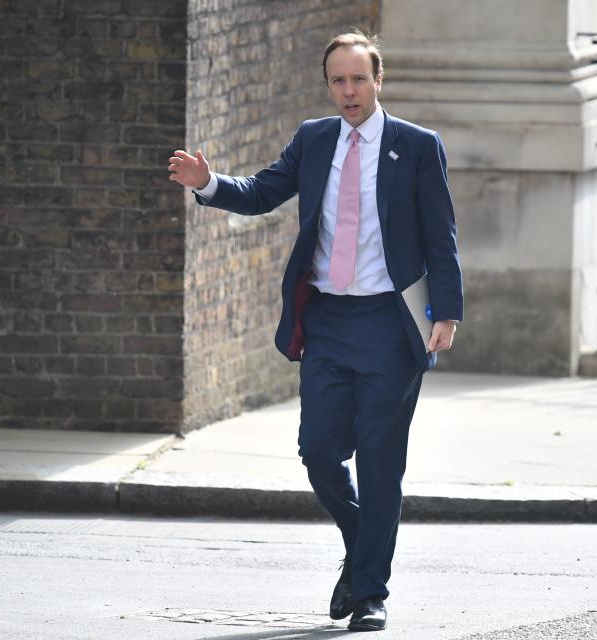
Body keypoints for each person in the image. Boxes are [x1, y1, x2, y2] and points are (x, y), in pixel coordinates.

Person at [167, 30, 463, 632]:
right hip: (327, 320)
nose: (348, 91)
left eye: (359, 79)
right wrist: (208, 182)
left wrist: (446, 314)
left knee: (381, 460)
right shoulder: (314, 139)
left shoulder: (416, 146)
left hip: (390, 322)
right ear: (328, 84)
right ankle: (363, 547)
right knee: (319, 453)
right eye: (338, 80)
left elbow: (441, 236)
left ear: (378, 80)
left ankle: (371, 591)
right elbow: (261, 193)